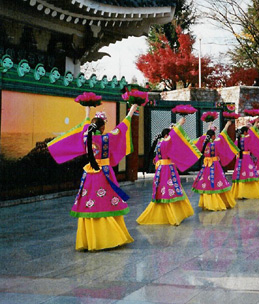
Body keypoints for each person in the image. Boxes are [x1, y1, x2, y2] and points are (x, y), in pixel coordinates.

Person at [47, 104, 138, 251]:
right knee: (106, 202)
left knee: (90, 202)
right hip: (104, 173)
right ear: (102, 128)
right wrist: (132, 111)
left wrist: (87, 111)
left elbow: (85, 125)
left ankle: (89, 240)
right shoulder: (106, 139)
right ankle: (109, 237)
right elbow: (121, 129)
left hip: (89, 173)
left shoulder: (85, 137)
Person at [137, 117, 201, 225]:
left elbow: (157, 159)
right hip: (167, 169)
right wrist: (179, 123)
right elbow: (173, 135)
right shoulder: (165, 143)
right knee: (169, 189)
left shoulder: (159, 144)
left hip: (161, 170)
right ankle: (173, 215)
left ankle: (166, 214)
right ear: (167, 136)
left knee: (163, 189)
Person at [192, 121, 239, 211]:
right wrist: (227, 124)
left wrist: (209, 127)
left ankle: (207, 203)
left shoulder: (203, 142)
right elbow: (223, 134)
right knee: (217, 182)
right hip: (215, 166)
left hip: (206, 166)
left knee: (206, 183)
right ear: (213, 136)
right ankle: (218, 202)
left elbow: (205, 136)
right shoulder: (216, 143)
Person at [232, 121, 259, 199]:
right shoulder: (247, 138)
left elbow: (235, 149)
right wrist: (255, 124)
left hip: (239, 159)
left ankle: (239, 192)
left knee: (240, 174)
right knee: (249, 173)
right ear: (245, 132)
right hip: (246, 158)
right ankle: (249, 192)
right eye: (247, 131)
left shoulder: (237, 140)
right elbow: (253, 133)